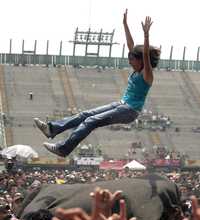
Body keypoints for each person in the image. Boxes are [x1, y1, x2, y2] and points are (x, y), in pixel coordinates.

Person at [34, 10, 160, 157]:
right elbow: (131, 45)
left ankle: (63, 149)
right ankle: (52, 129)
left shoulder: (147, 74)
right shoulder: (137, 69)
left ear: (141, 61)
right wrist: (125, 25)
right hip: (122, 104)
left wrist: (146, 35)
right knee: (85, 115)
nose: (129, 61)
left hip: (130, 111)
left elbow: (145, 54)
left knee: (91, 121)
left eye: (132, 59)